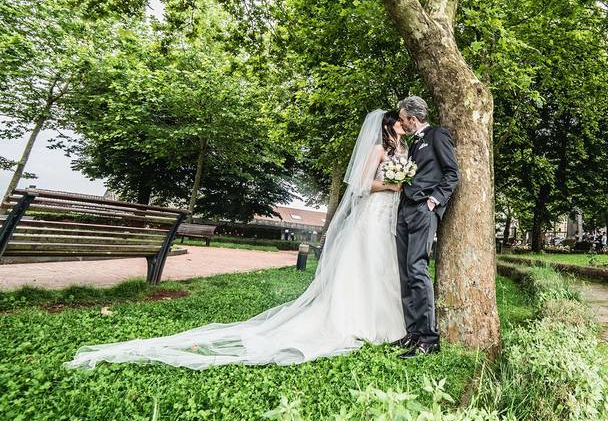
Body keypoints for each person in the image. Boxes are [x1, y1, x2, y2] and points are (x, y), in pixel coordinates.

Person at [66, 110, 415, 370]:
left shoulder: (401, 150)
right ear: (388, 126)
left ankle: (386, 321)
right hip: (371, 213)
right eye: (399, 124)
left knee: (382, 266)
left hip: (386, 217)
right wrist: (391, 184)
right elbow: (360, 185)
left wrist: (400, 182)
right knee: (363, 265)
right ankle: (356, 320)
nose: (403, 127)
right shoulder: (376, 150)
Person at [393, 96, 460, 358]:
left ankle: (429, 339)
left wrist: (433, 202)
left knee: (417, 270)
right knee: (404, 272)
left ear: (413, 118)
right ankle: (413, 333)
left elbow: (452, 173)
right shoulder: (412, 144)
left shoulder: (437, 135)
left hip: (423, 209)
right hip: (405, 210)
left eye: (402, 119)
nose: (401, 123)